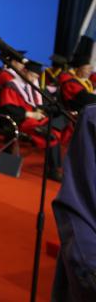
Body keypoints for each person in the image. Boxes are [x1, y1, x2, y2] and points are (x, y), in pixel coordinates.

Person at [51, 104, 96, 301]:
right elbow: (80, 207)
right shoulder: (93, 119)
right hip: (90, 269)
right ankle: (52, 168)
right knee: (51, 133)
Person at [0, 60, 64, 180]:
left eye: (36, 77)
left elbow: (36, 103)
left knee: (56, 126)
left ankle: (53, 168)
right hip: (19, 120)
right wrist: (29, 114)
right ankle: (53, 170)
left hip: (33, 119)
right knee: (52, 135)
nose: (34, 79)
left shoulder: (30, 86)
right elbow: (8, 108)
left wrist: (39, 110)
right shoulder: (12, 86)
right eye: (32, 75)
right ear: (24, 71)